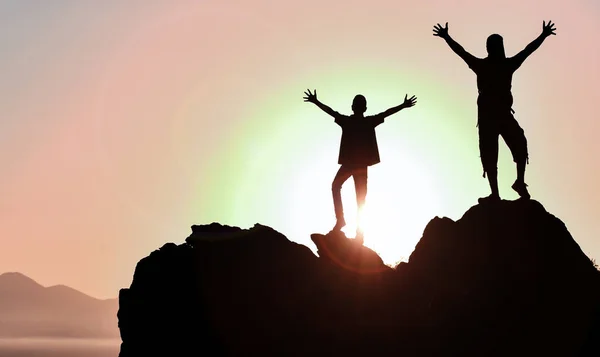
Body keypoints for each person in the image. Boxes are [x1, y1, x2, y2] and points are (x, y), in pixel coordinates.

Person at [433, 21, 557, 203]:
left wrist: (543, 35)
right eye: (494, 45)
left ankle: (520, 182)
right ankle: (495, 194)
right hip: (487, 117)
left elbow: (527, 51)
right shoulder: (482, 66)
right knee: (489, 154)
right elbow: (461, 52)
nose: (498, 48)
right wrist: (446, 38)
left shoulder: (507, 65)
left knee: (520, 143)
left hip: (504, 115)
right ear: (490, 48)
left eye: (499, 45)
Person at [303, 89, 416, 243]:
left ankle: (352, 227)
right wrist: (402, 106)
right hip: (358, 166)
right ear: (364, 108)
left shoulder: (351, 121)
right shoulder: (365, 122)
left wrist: (316, 102)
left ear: (353, 107)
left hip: (353, 165)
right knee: (357, 197)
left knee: (345, 191)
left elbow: (331, 112)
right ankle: (353, 229)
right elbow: (385, 113)